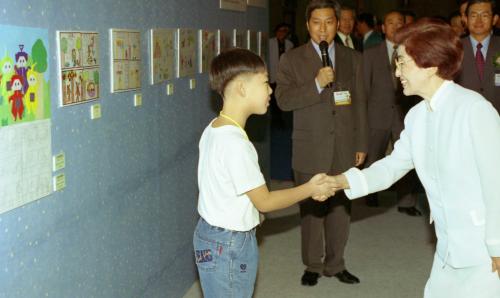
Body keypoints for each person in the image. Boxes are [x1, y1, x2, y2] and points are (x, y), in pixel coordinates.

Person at [330, 18, 500, 297]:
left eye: (402, 63)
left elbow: (497, 185)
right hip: (447, 246)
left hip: (484, 250)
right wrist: (342, 182)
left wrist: (497, 247)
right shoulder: (418, 116)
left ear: (430, 65)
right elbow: (392, 167)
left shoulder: (475, 110)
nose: (396, 73)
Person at [193, 48, 336, 297]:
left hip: (212, 235)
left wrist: (250, 213)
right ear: (241, 88)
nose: (271, 90)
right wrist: (311, 188)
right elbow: (266, 201)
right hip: (229, 244)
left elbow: (226, 190)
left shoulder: (215, 127)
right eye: (264, 83)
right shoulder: (236, 144)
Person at [275, 0, 367, 287]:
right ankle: (312, 265)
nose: (323, 28)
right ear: (307, 25)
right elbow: (283, 100)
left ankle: (336, 263)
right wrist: (315, 83)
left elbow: (360, 103)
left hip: (344, 144)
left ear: (338, 24)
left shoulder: (353, 57)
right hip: (309, 145)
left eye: (329, 21)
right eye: (317, 22)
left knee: (341, 210)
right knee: (312, 212)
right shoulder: (291, 59)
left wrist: (361, 143)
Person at [362, 10, 422, 216]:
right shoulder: (370, 54)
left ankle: (406, 201)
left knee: (407, 159)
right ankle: (371, 193)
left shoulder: (414, 52)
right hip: (376, 114)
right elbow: (365, 88)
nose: (396, 26)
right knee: (373, 156)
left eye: (400, 22)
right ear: (382, 27)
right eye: (390, 22)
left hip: (404, 114)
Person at [456, 0, 499, 113]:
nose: (479, 20)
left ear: (494, 19)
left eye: (484, 15)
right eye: (474, 15)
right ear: (465, 19)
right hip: (463, 116)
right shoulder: (454, 48)